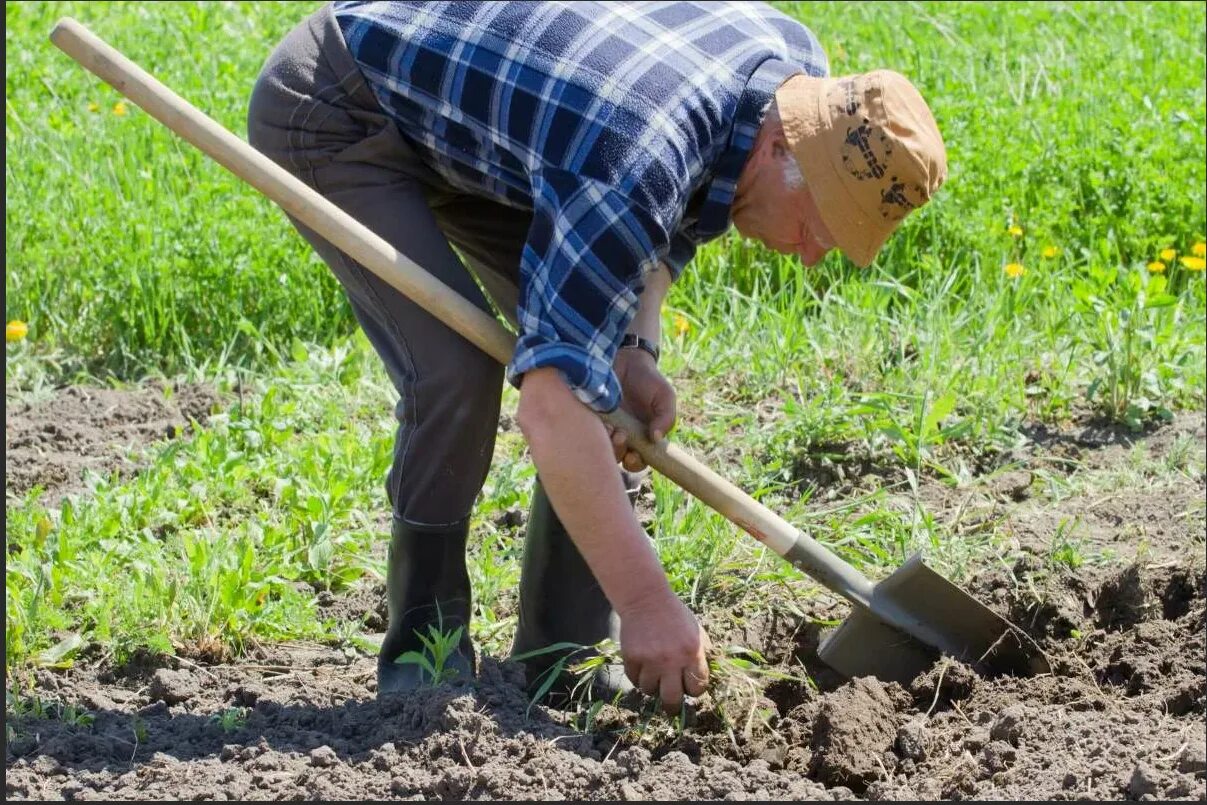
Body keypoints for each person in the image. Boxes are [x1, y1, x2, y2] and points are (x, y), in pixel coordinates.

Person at [247, 0, 946, 712]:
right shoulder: (638, 153)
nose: (808, 255)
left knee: (599, 368)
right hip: (344, 105)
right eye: (815, 227)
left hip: (486, 130)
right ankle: (423, 651)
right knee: (456, 367)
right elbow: (550, 405)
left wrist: (635, 347)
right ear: (778, 149)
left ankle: (562, 654)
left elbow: (676, 209)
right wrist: (646, 603)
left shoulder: (796, 78)